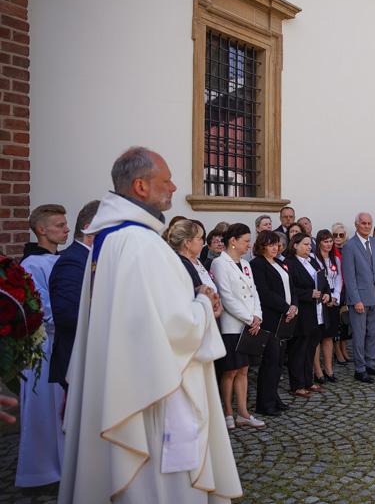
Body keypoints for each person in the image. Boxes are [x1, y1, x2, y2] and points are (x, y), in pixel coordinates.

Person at [59, 147, 241, 503]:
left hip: (129, 382)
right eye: (166, 179)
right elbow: (175, 329)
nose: (174, 187)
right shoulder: (141, 244)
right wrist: (205, 302)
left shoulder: (111, 240)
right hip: (154, 395)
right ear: (141, 186)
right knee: (161, 485)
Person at [18, 203, 69, 488]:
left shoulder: (58, 259)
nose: (65, 229)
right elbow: (41, 309)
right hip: (44, 345)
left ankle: (62, 463)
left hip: (59, 341)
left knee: (59, 406)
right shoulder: (32, 264)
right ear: (41, 229)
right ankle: (41, 470)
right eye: (59, 225)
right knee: (43, 409)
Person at [210, 223, 267, 429]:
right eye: (245, 241)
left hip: (249, 324)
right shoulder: (219, 263)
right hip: (232, 325)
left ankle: (243, 412)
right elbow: (226, 296)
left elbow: (254, 293)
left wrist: (257, 316)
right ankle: (228, 411)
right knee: (230, 370)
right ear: (232, 241)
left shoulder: (245, 264)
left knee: (243, 369)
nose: (249, 245)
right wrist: (248, 318)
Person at [49, 200, 100, 392]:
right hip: (79, 362)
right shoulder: (71, 261)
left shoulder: (90, 257)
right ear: (89, 230)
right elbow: (67, 315)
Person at [249, 230, 295, 415]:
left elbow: (291, 288)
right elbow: (265, 293)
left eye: (276, 244)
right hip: (270, 318)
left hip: (285, 318)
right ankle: (264, 402)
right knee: (270, 360)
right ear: (262, 246)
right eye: (271, 244)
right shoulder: (257, 264)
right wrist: (286, 307)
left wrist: (294, 308)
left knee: (278, 361)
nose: (275, 248)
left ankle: (274, 397)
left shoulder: (280, 263)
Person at [283, 233, 331, 396]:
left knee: (310, 348)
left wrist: (327, 293)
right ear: (295, 245)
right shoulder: (289, 263)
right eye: (305, 244)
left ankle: (308, 380)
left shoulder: (312, 260)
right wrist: (308, 294)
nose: (309, 247)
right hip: (302, 312)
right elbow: (290, 288)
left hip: (317, 311)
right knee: (298, 350)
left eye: (310, 244)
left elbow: (322, 280)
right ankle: (296, 385)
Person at [341, 212, 375, 383]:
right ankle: (359, 369)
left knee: (374, 333)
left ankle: (370, 363)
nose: (366, 226)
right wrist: (355, 299)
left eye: (369, 223)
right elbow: (349, 276)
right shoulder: (350, 246)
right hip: (359, 298)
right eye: (363, 223)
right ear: (356, 225)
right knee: (359, 335)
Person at [312, 229, 342, 382]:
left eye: (330, 241)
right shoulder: (313, 258)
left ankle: (329, 369)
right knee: (318, 336)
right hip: (319, 298)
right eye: (326, 241)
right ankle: (318, 371)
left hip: (332, 298)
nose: (329, 244)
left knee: (329, 336)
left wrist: (335, 297)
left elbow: (338, 280)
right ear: (319, 243)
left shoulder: (335, 259)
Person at [331, 222, 352, 365]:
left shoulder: (348, 249)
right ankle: (337, 351)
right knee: (336, 323)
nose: (338, 237)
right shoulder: (331, 250)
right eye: (335, 235)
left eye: (341, 235)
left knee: (346, 321)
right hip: (336, 290)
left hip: (348, 289)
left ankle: (344, 349)